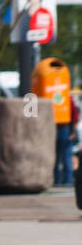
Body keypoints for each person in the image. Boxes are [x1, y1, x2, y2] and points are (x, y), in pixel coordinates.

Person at [30, 58, 73, 187]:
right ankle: (63, 180)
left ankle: (61, 180)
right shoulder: (66, 95)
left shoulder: (66, 97)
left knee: (57, 155)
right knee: (61, 155)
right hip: (60, 125)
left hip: (55, 125)